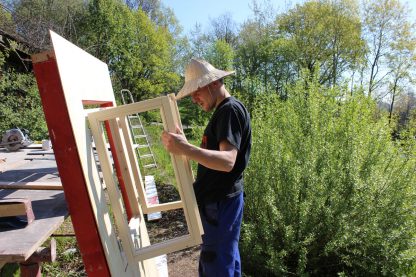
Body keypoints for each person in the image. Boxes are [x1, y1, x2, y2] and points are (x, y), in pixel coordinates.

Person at [161, 58, 252, 277]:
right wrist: (187, 147)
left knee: (218, 265)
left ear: (214, 83)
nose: (194, 99)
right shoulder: (224, 112)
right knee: (225, 261)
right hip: (221, 204)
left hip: (220, 205)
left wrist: (186, 149)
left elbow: (227, 161)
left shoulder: (229, 110)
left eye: (196, 91)